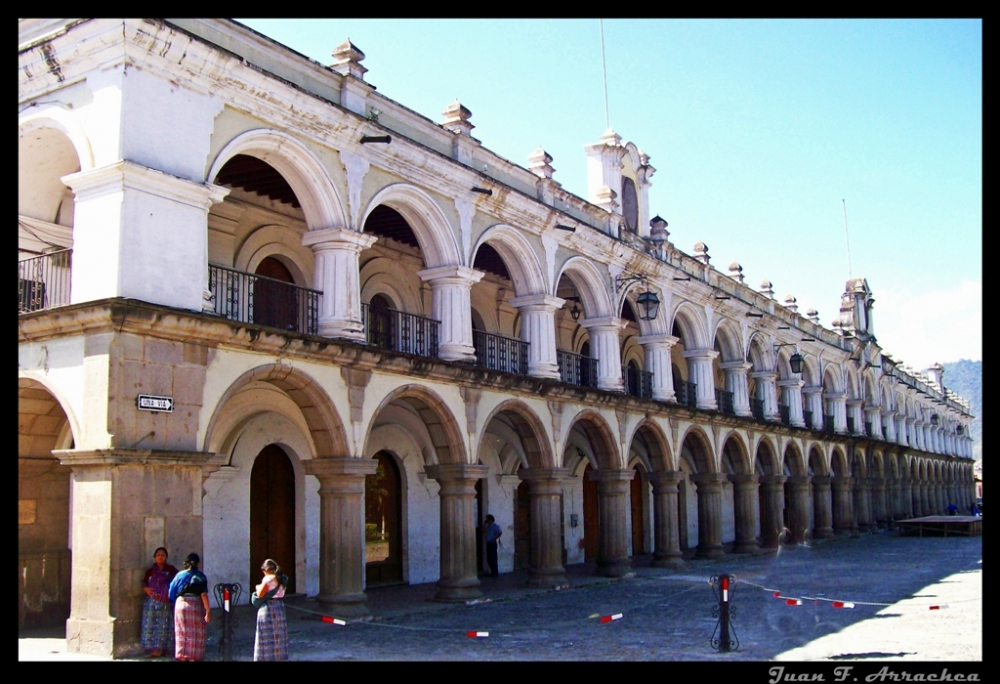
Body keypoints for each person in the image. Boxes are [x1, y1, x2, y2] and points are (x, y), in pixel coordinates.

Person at [168, 552, 211, 661]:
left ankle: (182, 656)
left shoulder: (179, 575)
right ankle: (193, 657)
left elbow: (171, 593)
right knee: (196, 631)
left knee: (182, 631)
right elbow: (203, 594)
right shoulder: (201, 576)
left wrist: (178, 601)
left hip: (180, 604)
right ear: (198, 564)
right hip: (195, 604)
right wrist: (208, 610)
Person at [140, 547, 178, 657]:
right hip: (153, 604)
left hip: (166, 604)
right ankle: (155, 650)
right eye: (158, 555)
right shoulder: (150, 571)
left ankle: (166, 650)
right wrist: (146, 589)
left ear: (166, 557)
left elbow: (177, 581)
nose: (160, 557)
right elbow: (144, 583)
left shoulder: (171, 570)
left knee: (166, 626)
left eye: (162, 555)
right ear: (154, 557)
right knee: (152, 626)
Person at [253, 559, 289, 661]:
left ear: (266, 569)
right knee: (279, 635)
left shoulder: (268, 578)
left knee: (267, 636)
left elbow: (260, 594)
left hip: (268, 608)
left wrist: (257, 587)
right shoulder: (282, 578)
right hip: (279, 607)